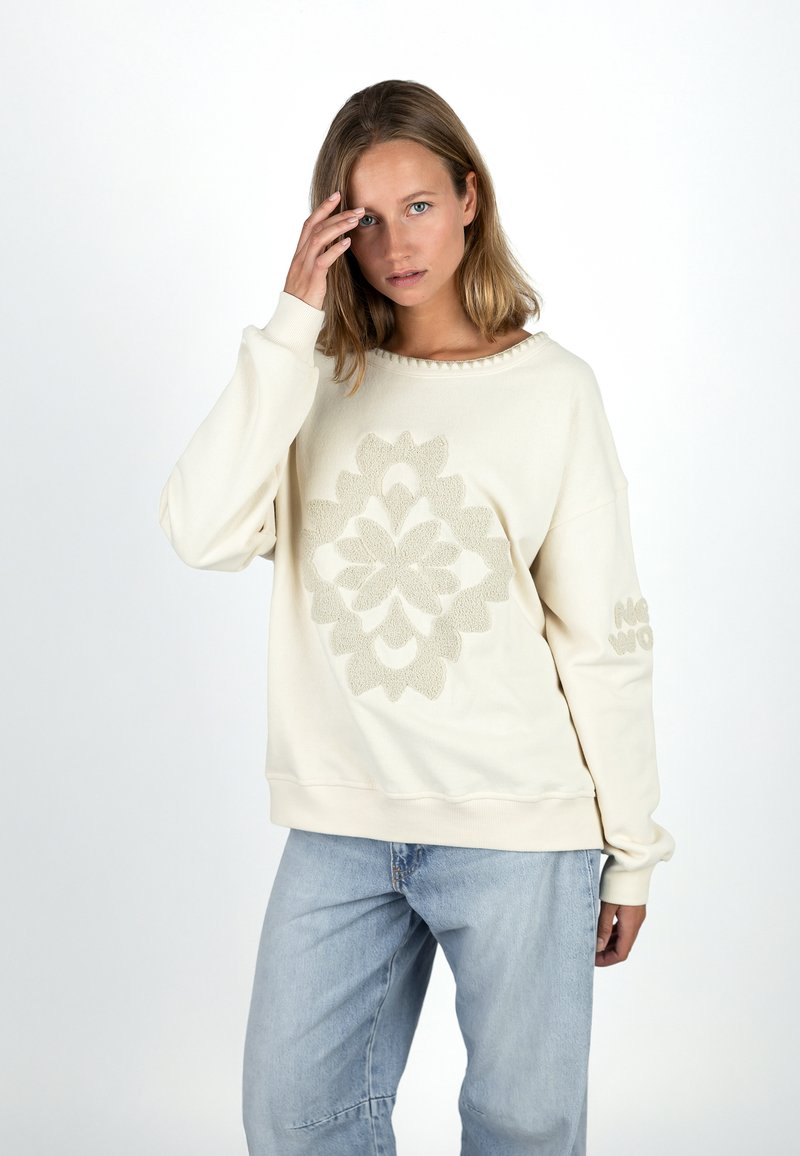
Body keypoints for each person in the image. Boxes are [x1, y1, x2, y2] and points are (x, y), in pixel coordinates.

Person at [158, 79, 675, 1156]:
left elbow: (602, 635)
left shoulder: (553, 391)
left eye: (421, 206)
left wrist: (630, 849)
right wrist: (291, 321)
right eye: (366, 218)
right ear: (329, 229)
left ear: (470, 199)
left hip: (519, 827)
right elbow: (201, 530)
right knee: (294, 1119)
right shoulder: (310, 381)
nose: (396, 244)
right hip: (342, 825)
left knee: (524, 1129)